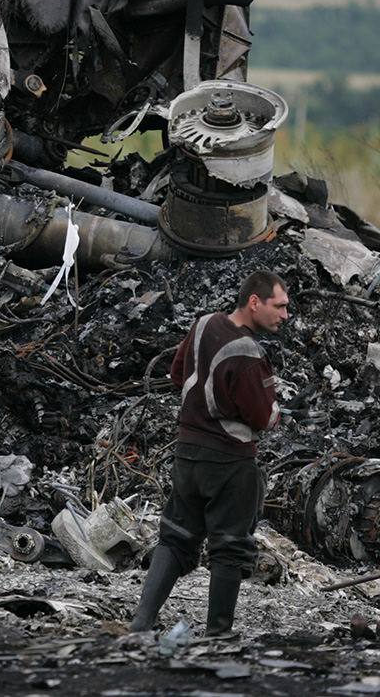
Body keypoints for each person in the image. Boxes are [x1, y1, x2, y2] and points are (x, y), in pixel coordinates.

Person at [129, 270, 289, 636]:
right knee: (229, 547)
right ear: (254, 302)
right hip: (230, 463)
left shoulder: (203, 325)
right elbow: (264, 418)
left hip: (187, 455)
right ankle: (218, 632)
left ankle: (141, 621)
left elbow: (175, 375)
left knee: (175, 536)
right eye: (278, 307)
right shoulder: (249, 353)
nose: (284, 316)